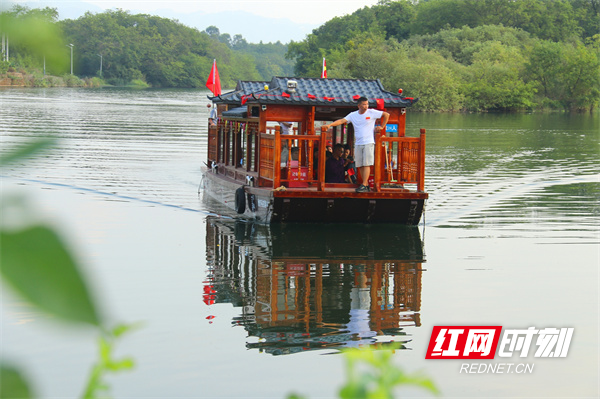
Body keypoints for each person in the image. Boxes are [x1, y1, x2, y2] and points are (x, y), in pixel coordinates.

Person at [322, 97, 389, 192]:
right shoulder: (353, 115)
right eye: (364, 104)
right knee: (360, 164)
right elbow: (342, 121)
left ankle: (365, 184)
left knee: (366, 164)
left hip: (368, 142)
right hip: (358, 143)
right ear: (359, 105)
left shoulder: (372, 112)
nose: (366, 106)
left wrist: (382, 127)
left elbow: (386, 115)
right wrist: (330, 125)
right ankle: (364, 184)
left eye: (367, 104)